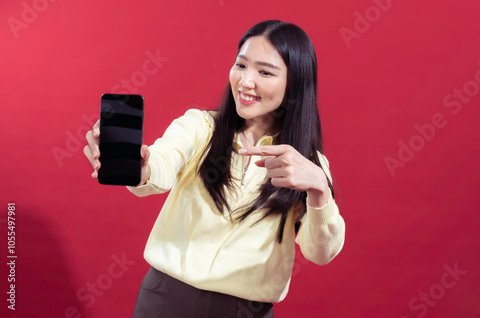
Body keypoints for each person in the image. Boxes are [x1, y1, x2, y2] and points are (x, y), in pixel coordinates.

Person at [83, 20, 345, 318]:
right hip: (166, 301)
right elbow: (163, 160)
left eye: (264, 72)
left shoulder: (308, 165)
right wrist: (140, 165)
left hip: (245, 311)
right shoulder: (201, 127)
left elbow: (320, 253)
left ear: (295, 83)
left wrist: (320, 191)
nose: (246, 81)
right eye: (241, 65)